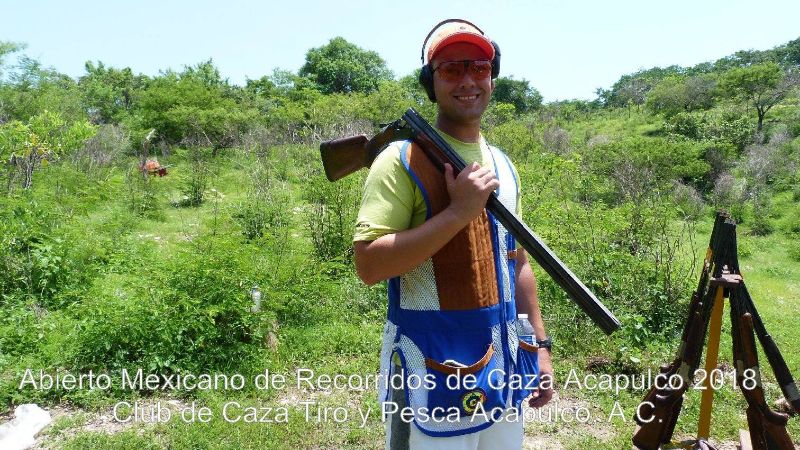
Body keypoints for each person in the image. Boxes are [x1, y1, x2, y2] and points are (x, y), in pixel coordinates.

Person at [353, 19, 554, 450]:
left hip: (502, 368)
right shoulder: (400, 160)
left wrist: (540, 346)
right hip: (429, 371)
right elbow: (369, 264)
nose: (467, 80)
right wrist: (459, 212)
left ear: (492, 79)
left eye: (479, 67)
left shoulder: (503, 164)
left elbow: (517, 260)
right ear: (431, 82)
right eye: (451, 69)